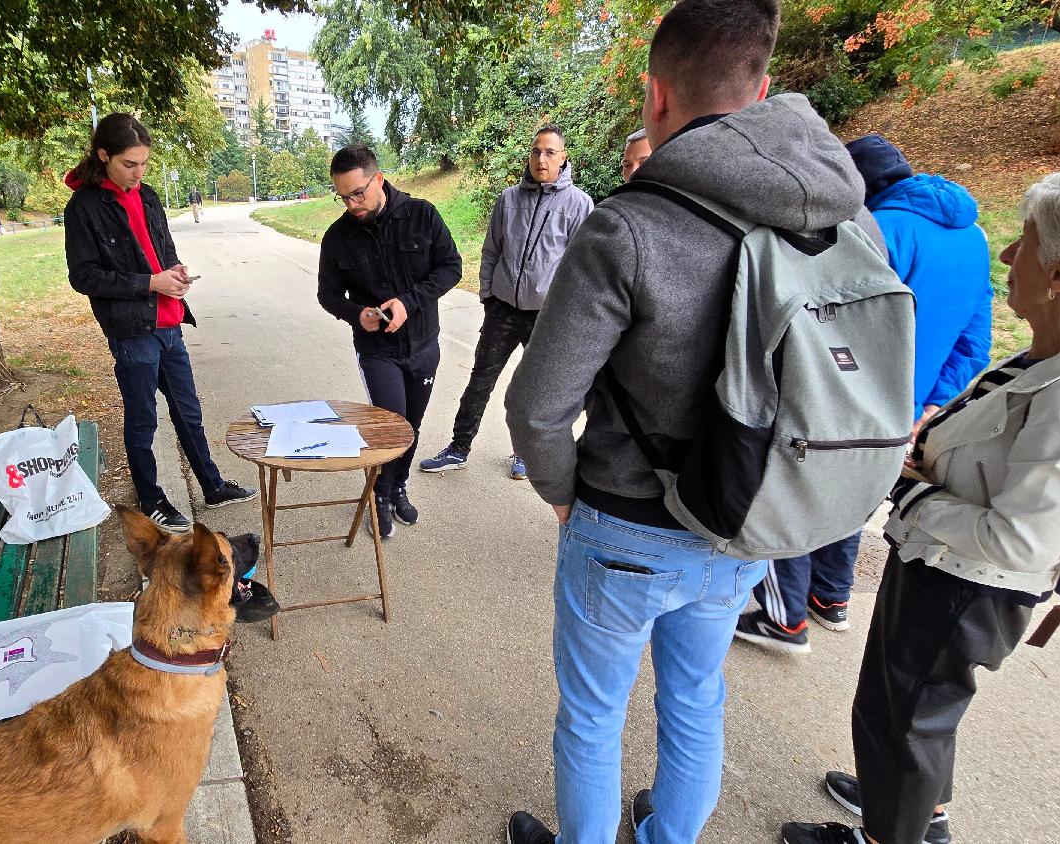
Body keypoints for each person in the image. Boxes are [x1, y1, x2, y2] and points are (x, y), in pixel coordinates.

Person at [502, 0, 880, 841]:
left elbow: (537, 405)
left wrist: (563, 495)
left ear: (656, 95)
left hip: (624, 525)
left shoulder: (629, 226)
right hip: (743, 522)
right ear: (764, 88)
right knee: (697, 705)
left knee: (594, 721)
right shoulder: (845, 221)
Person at [781, 165, 1060, 844]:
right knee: (916, 716)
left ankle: (889, 828)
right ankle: (911, 808)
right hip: (948, 566)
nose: (1010, 255)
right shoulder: (1058, 354)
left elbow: (1023, 541)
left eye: (1027, 242)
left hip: (967, 586)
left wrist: (914, 493)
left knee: (902, 720)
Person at [735, 134, 995, 654]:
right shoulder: (974, 239)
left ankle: (784, 617)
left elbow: (831, 316)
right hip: (905, 408)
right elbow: (975, 339)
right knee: (855, 494)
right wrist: (927, 403)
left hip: (848, 394)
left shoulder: (877, 230)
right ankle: (830, 596)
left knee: (796, 491)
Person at [63, 113, 256, 534]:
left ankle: (212, 484)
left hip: (170, 323)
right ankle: (151, 498)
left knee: (189, 412)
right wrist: (150, 282)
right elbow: (84, 277)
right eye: (129, 164)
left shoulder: (148, 195)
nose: (138, 173)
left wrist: (176, 272)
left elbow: (164, 248)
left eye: (144, 163)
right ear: (103, 155)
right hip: (132, 331)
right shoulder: (84, 207)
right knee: (143, 419)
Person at [419, 125, 595, 481]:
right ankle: (458, 448)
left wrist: (564, 311)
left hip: (545, 317)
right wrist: (487, 293)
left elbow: (581, 266)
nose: (541, 159)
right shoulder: (509, 199)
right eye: (535, 151)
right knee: (480, 380)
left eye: (549, 152)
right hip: (502, 309)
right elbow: (491, 251)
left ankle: (523, 455)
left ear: (563, 158)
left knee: (533, 391)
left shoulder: (579, 205)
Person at [317, 143, 462, 538]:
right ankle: (379, 494)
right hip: (377, 350)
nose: (351, 204)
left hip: (423, 345)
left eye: (358, 193)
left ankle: (399, 486)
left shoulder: (421, 215)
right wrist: (355, 314)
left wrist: (409, 302)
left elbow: (452, 267)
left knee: (411, 426)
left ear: (378, 179)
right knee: (389, 427)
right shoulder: (338, 237)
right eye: (343, 196)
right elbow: (328, 296)